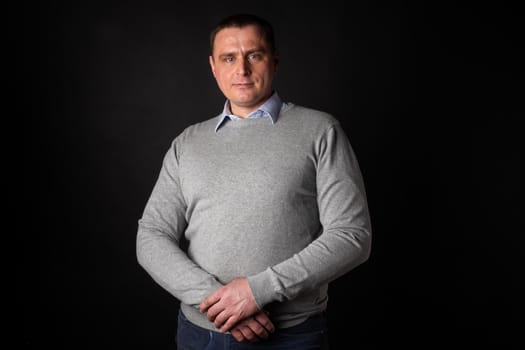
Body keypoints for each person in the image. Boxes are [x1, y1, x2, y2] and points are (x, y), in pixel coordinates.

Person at [137, 13, 372, 349]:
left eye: (254, 55)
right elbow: (151, 236)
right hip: (200, 335)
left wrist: (257, 292)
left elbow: (352, 235)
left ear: (274, 61)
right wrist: (220, 303)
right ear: (213, 67)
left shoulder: (320, 131)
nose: (241, 69)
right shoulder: (188, 142)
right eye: (229, 58)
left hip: (291, 335)